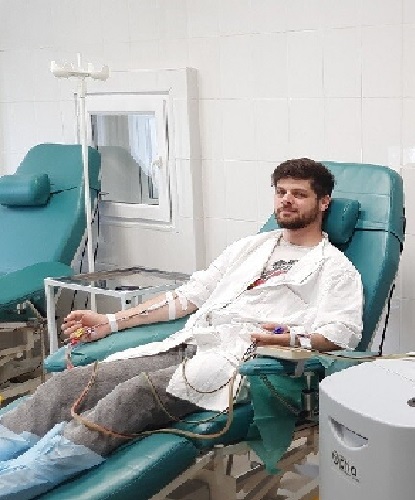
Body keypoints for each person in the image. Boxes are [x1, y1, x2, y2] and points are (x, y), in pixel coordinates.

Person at [0, 158, 363, 499]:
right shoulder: (251, 247)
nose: (286, 200)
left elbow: (341, 333)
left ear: (323, 202)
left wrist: (290, 338)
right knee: (70, 384)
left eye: (299, 194)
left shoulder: (335, 269)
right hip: (190, 343)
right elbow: (188, 296)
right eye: (281, 192)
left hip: (239, 362)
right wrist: (110, 322)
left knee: (134, 395)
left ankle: (21, 480)